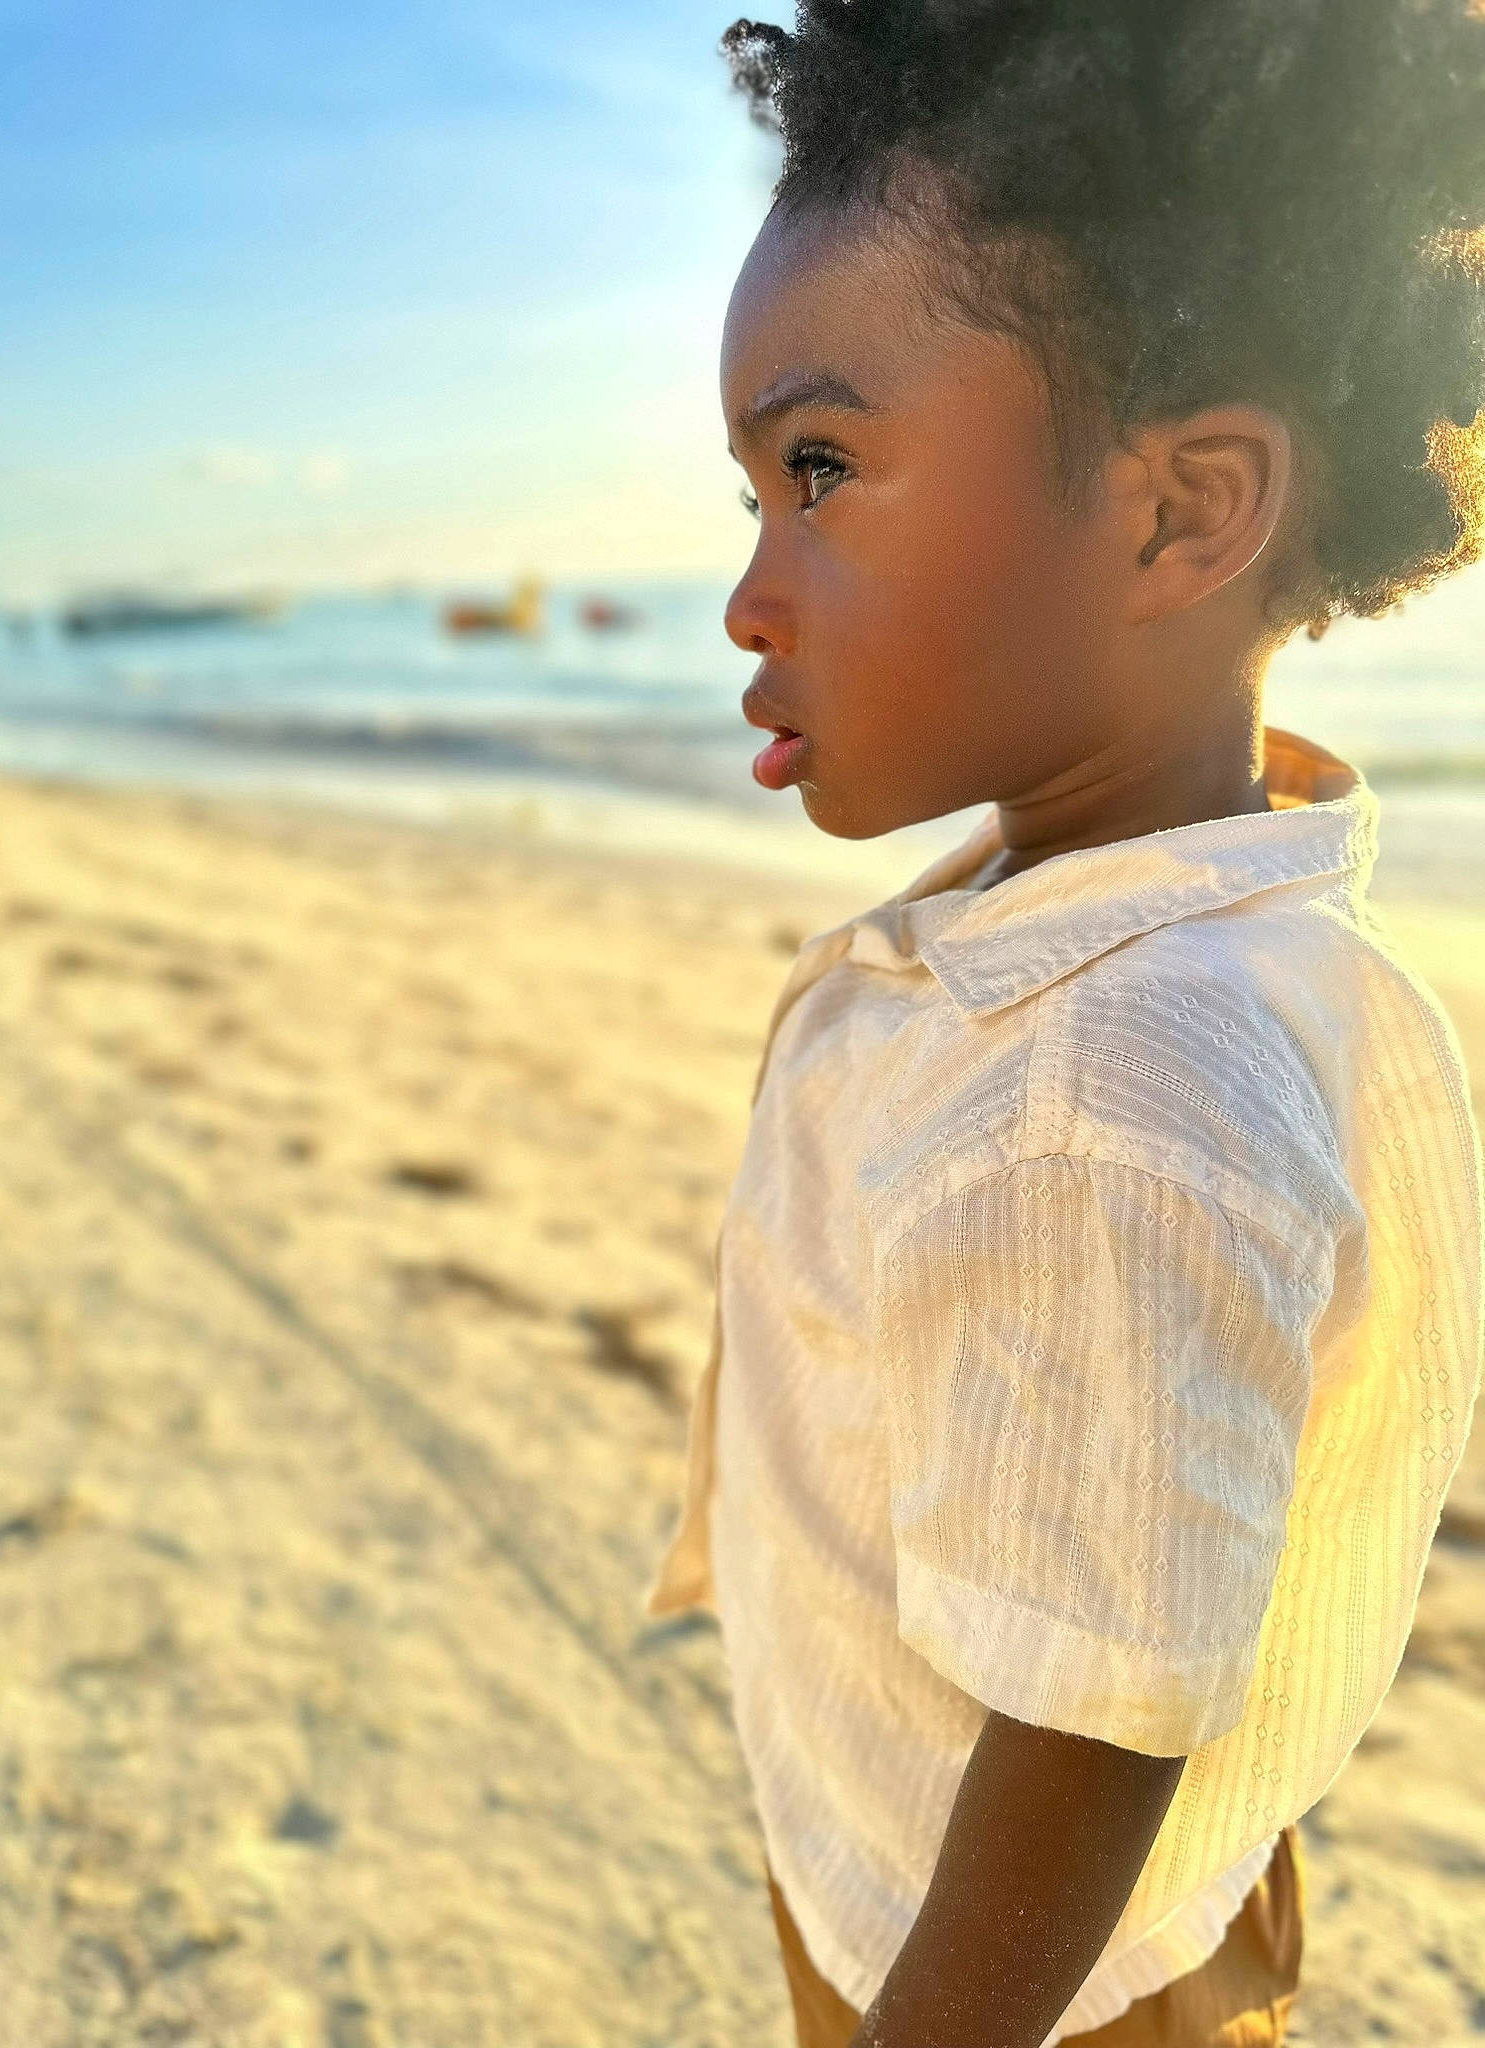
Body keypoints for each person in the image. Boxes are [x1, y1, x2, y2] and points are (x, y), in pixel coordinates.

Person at [642, 5, 1485, 2045]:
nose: (751, 593)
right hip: (1020, 1859)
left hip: (1006, 1959)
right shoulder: (1104, 918)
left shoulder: (1117, 1082)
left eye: (821, 470)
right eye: (757, 492)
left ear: (1182, 514)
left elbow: (1088, 1728)